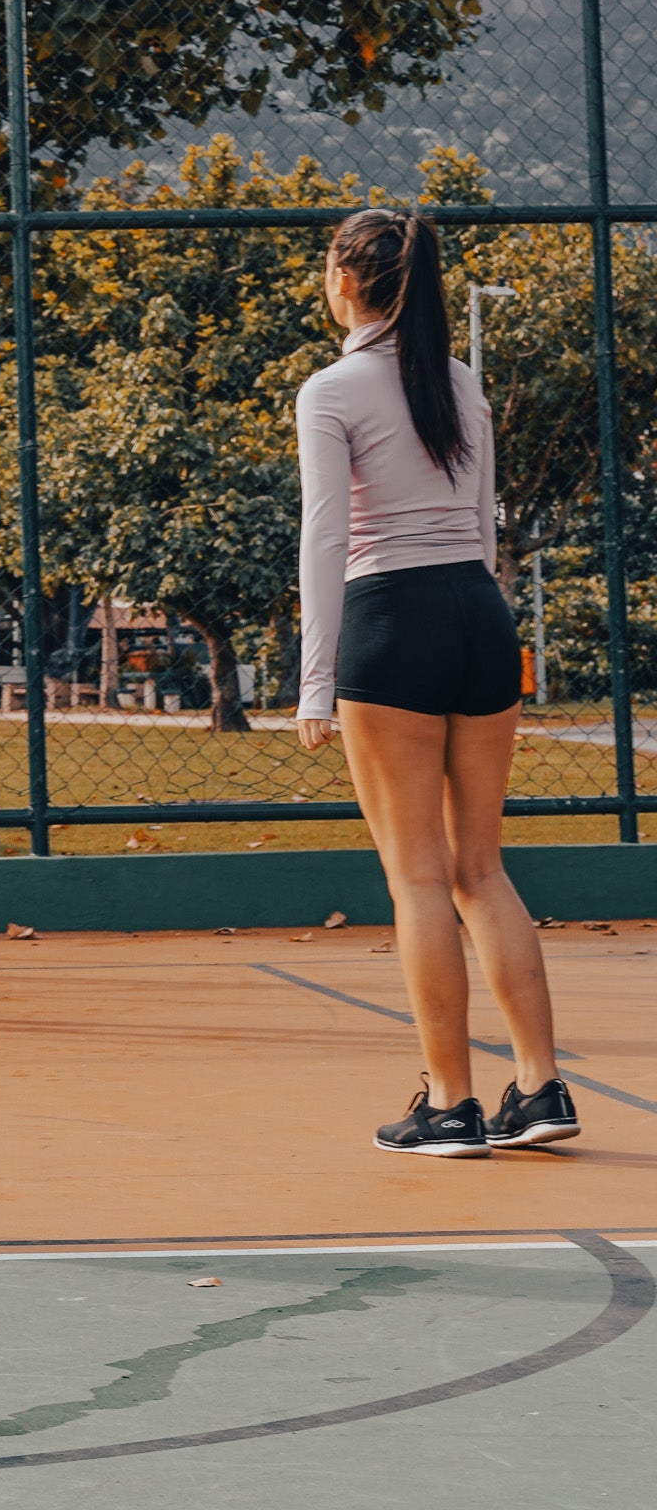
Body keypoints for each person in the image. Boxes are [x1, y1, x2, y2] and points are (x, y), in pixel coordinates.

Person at [296, 208, 577, 1156]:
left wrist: (313, 682)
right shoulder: (461, 381)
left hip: (392, 622)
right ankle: (541, 1089)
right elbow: (484, 526)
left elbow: (326, 542)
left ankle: (450, 1104)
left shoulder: (330, 390)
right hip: (477, 615)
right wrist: (479, 611)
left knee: (418, 876)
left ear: (346, 277)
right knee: (481, 869)